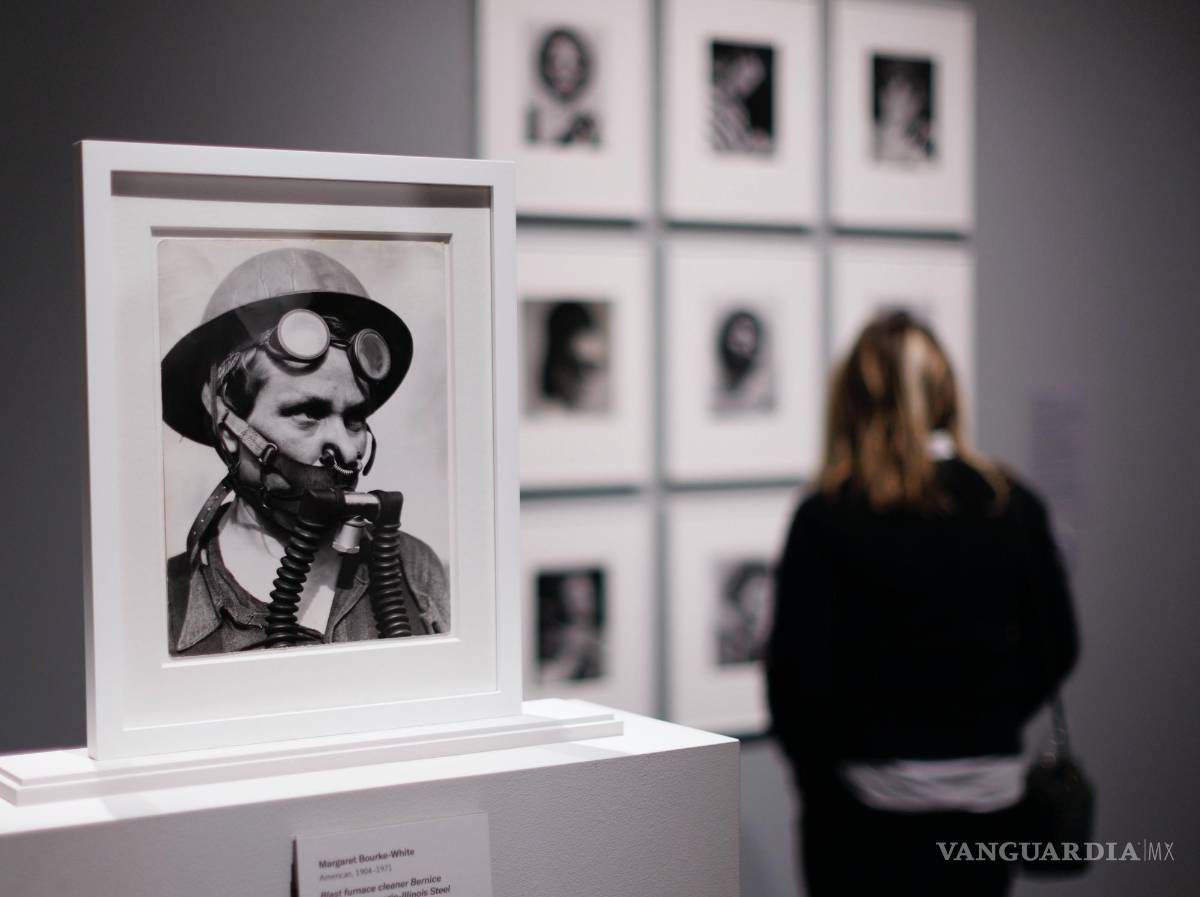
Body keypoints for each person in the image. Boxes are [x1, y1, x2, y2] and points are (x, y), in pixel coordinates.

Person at [767, 311, 1079, 897]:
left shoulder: (830, 513)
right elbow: (1058, 646)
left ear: (853, 401)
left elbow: (795, 680)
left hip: (867, 812)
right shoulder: (1011, 504)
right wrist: (985, 718)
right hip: (988, 803)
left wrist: (834, 769)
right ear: (945, 394)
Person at [160, 247, 449, 656]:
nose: (346, 449)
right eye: (307, 414)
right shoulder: (170, 605)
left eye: (353, 418)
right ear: (227, 423)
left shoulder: (415, 572)